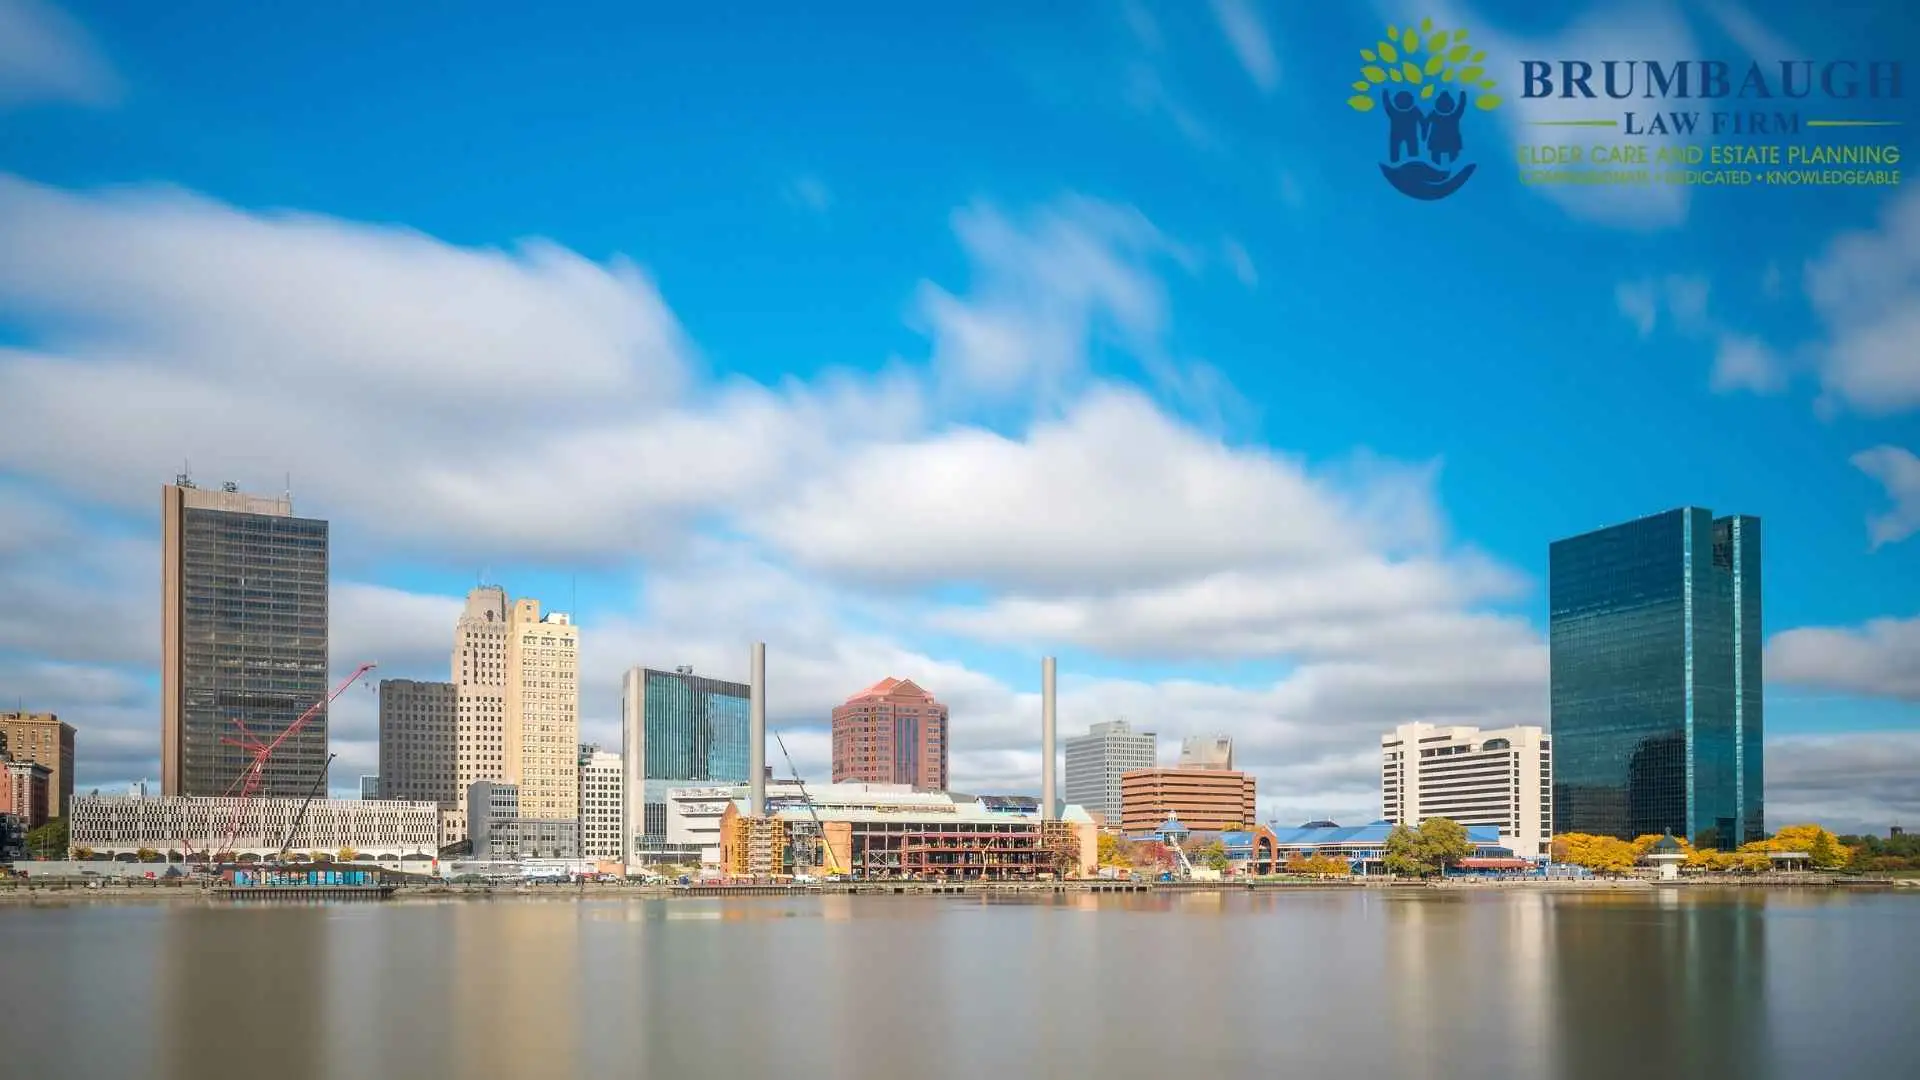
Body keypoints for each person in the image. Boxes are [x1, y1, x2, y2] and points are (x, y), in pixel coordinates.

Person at [1382, 88, 1426, 162]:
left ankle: (1395, 163)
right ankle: (1412, 164)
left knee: (1395, 152)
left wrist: (1385, 94)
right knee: (1412, 152)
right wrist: (1423, 134)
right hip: (1410, 135)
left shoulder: (1394, 111)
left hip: (1397, 135)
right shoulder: (1415, 110)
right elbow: (1423, 123)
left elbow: (1387, 104)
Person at [1426, 90, 1466, 165]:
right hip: (1449, 142)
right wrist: (1463, 95)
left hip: (1438, 142)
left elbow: (1425, 123)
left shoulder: (1434, 115)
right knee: (1452, 159)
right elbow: (1461, 106)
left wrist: (1424, 134)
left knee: (1436, 159)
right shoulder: (1454, 115)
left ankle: (1443, 168)